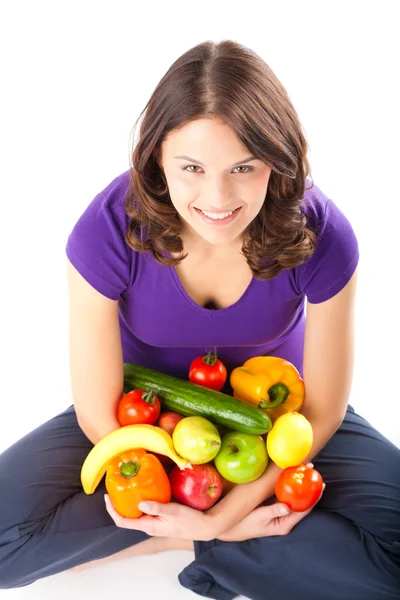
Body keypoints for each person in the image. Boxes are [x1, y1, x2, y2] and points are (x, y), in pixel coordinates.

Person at [0, 39, 399, 599]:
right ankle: (196, 545)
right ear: (157, 159)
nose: (218, 196)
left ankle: (212, 544)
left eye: (244, 167)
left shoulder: (323, 232)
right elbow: (96, 411)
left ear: (278, 162)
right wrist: (192, 508)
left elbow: (324, 410)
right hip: (140, 417)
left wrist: (217, 518)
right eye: (192, 167)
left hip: (281, 421)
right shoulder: (109, 227)